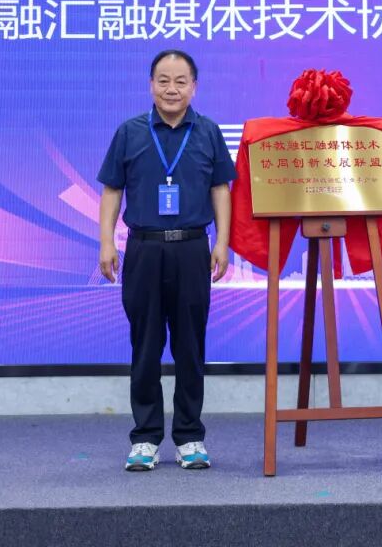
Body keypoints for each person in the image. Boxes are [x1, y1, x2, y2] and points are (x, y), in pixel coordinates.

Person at [97, 49, 236, 472]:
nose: (171, 89)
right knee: (146, 346)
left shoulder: (208, 132)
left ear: (194, 87)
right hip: (143, 249)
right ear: (150, 85)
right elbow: (112, 190)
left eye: (180, 81)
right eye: (163, 80)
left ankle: (190, 436)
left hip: (192, 249)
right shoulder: (130, 132)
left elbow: (220, 190)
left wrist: (222, 242)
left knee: (190, 346)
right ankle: (145, 438)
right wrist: (106, 242)